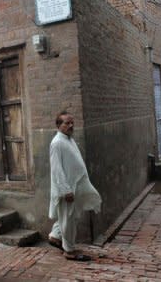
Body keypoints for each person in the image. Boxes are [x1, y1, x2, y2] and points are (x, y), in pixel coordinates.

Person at [47, 111, 101, 261]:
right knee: (68, 219)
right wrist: (66, 190)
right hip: (66, 190)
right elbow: (57, 170)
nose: (71, 126)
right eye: (67, 123)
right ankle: (69, 251)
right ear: (59, 125)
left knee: (69, 217)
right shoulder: (57, 143)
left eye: (72, 123)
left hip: (74, 186)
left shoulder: (68, 139)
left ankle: (55, 236)